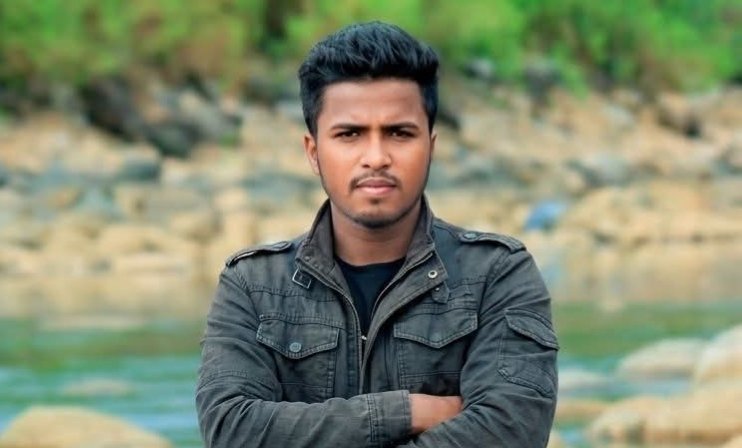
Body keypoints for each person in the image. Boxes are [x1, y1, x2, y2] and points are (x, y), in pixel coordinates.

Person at [196, 21, 559, 447]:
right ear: (313, 152)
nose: (376, 157)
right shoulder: (255, 285)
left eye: (399, 133)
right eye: (349, 134)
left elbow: (509, 431)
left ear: (431, 146)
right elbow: (231, 429)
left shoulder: (496, 275)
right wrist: (407, 411)